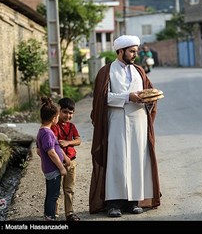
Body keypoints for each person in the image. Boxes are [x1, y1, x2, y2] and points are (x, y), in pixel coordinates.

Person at [89, 34, 161, 218]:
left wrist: (150, 99)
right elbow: (102, 98)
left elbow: (149, 93)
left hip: (139, 122)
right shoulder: (107, 71)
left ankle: (133, 202)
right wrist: (127, 97)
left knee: (137, 160)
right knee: (117, 161)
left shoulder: (139, 71)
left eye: (135, 51)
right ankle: (114, 203)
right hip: (117, 122)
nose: (135, 54)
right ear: (120, 51)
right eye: (131, 51)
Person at [36, 97, 68, 221]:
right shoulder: (47, 133)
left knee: (50, 194)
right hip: (53, 169)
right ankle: (50, 217)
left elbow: (39, 151)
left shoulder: (41, 131)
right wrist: (61, 167)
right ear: (54, 118)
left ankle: (48, 215)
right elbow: (51, 152)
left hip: (48, 168)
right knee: (53, 195)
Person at [51, 97, 81, 221]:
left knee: (69, 189)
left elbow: (78, 140)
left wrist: (68, 143)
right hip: (58, 163)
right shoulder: (54, 127)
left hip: (71, 161)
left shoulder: (72, 126)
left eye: (70, 113)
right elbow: (54, 145)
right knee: (56, 190)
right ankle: (55, 214)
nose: (67, 115)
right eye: (64, 112)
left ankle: (69, 213)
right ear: (59, 111)